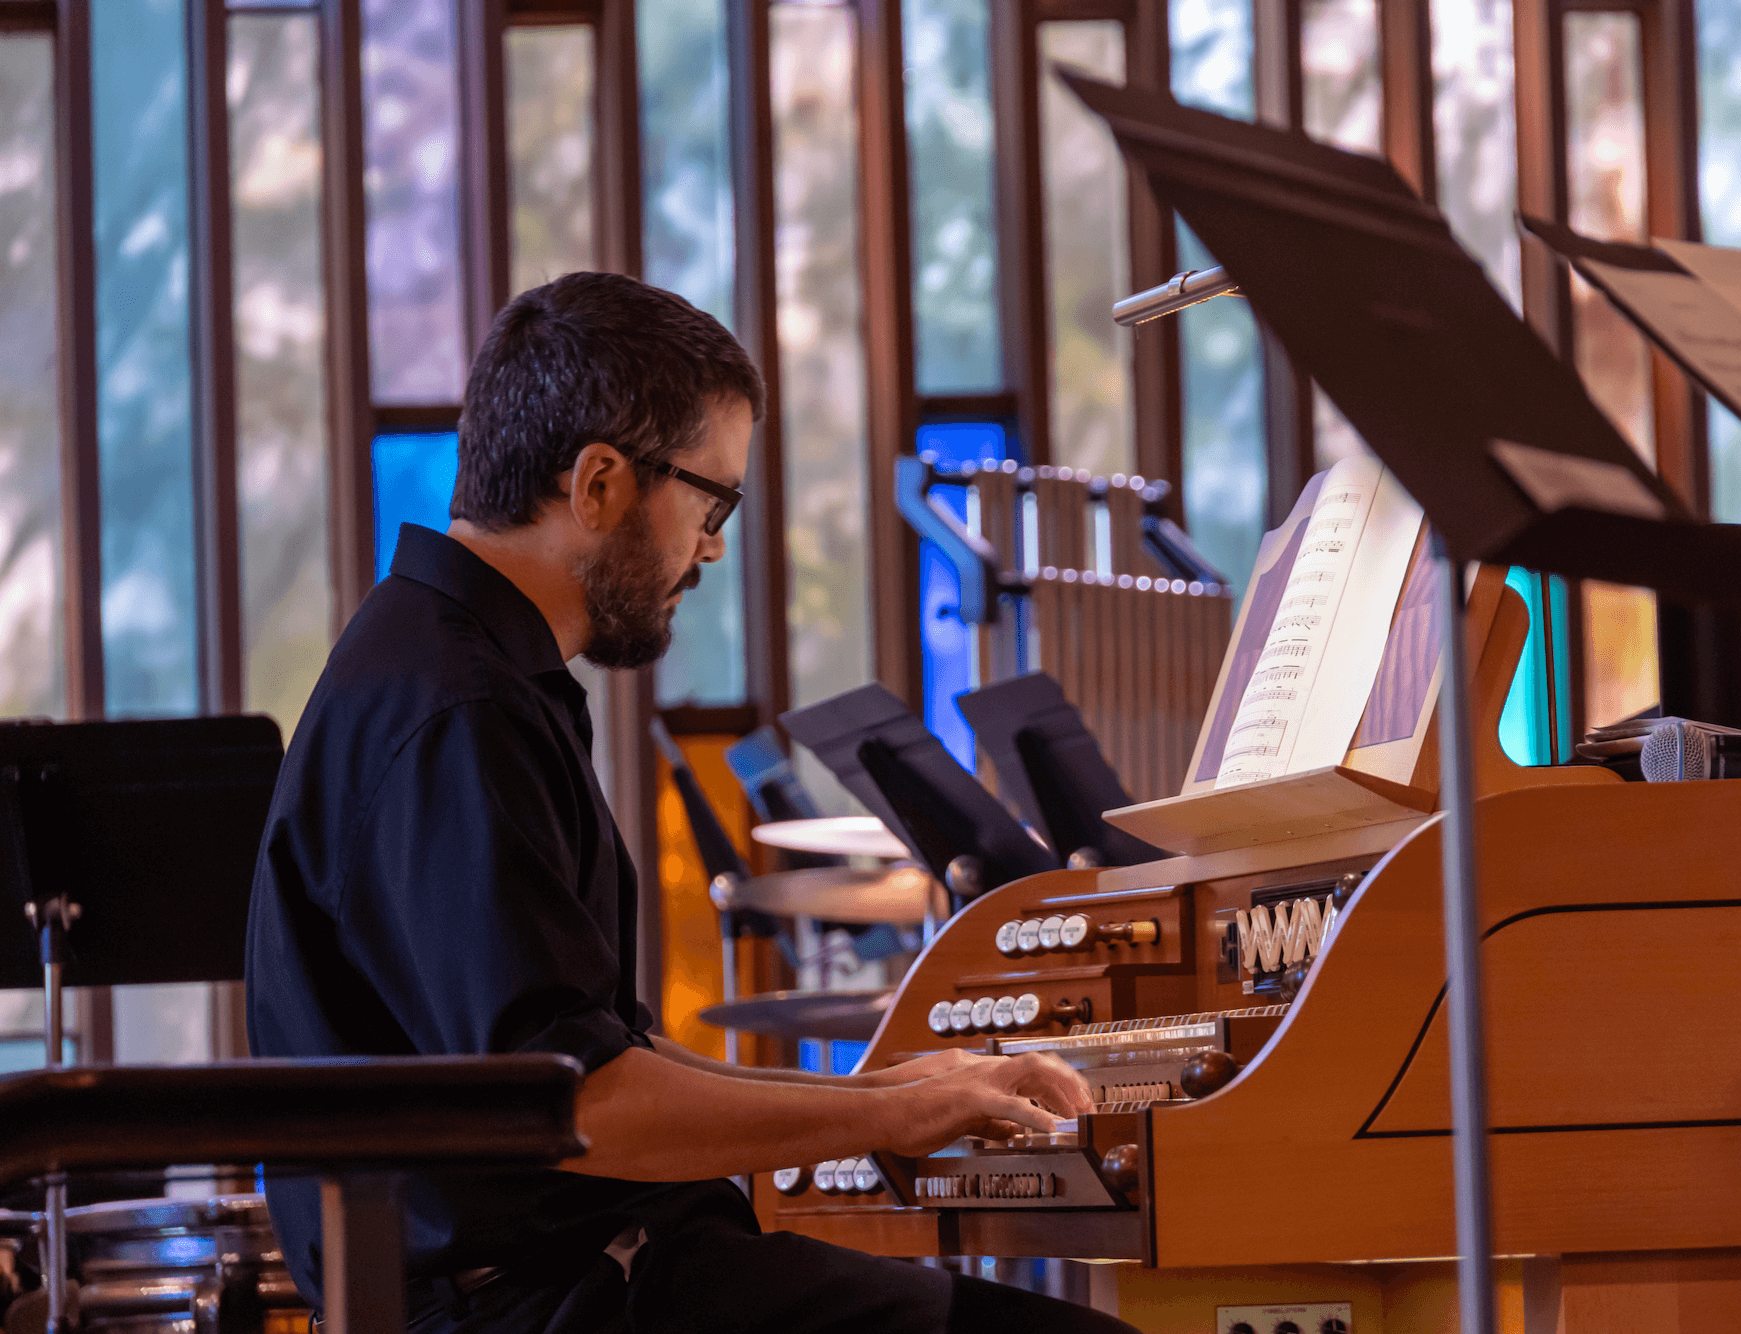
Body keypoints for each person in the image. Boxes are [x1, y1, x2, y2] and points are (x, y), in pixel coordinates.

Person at [245, 272, 1138, 1334]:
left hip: (599, 1277)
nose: (712, 546)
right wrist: (897, 1110)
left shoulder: (462, 667)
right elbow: (579, 1104)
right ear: (599, 485)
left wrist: (881, 1093)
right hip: (550, 1308)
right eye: (710, 501)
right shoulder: (457, 709)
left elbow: (604, 1047)